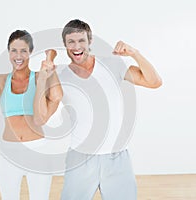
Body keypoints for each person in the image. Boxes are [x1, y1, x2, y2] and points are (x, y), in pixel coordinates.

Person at [59, 19, 162, 200]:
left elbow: (154, 82)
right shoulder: (61, 76)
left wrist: (134, 53)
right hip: (80, 157)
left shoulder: (113, 64)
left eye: (81, 40)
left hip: (117, 157)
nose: (76, 46)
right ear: (65, 45)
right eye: (71, 42)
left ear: (89, 41)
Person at [0, 30, 63, 200]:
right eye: (14, 50)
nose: (18, 55)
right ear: (8, 53)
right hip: (9, 151)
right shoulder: (0, 80)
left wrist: (50, 63)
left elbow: (57, 95)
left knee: (40, 197)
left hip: (37, 149)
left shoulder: (38, 78)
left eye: (23, 51)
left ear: (30, 53)